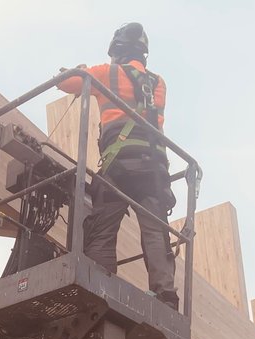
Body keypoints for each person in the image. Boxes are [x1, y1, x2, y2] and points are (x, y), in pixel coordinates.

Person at [57, 23, 180, 310]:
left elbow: (65, 82)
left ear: (118, 52)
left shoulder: (106, 73)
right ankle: (166, 296)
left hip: (119, 165)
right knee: (155, 233)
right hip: (154, 172)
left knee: (102, 226)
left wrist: (77, 69)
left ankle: (99, 285)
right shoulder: (159, 83)